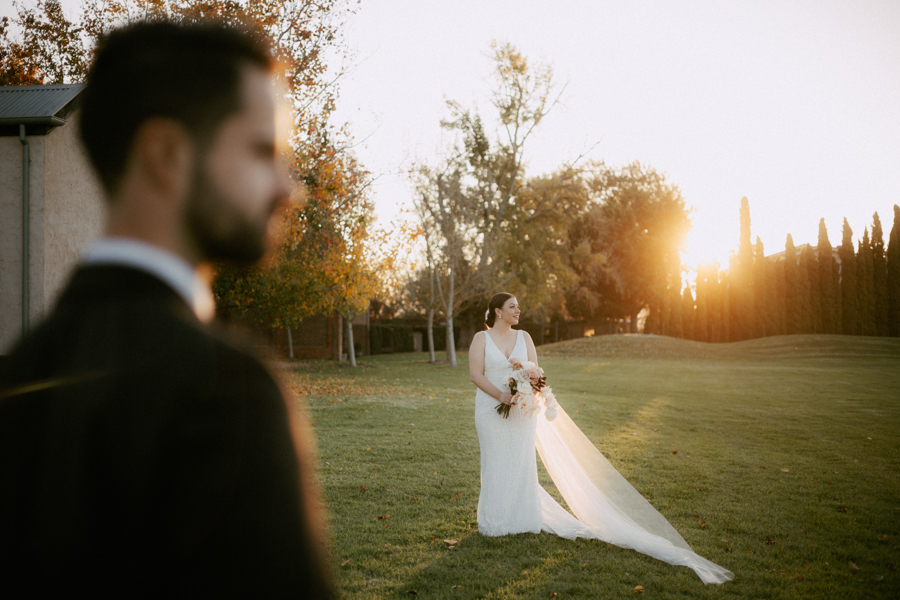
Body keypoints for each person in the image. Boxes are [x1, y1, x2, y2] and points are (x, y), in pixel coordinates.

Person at [0, 21, 335, 597]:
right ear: (167, 153)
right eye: (263, 151)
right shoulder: (224, 390)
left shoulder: (18, 373)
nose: (288, 188)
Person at [470, 292, 734, 585]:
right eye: (512, 306)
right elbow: (475, 375)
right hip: (491, 412)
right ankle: (495, 521)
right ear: (497, 311)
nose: (518, 310)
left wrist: (525, 394)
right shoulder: (481, 339)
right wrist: (501, 395)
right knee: (496, 462)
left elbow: (536, 375)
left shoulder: (526, 338)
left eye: (518, 306)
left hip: (522, 413)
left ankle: (520, 518)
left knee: (520, 464)